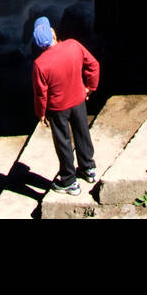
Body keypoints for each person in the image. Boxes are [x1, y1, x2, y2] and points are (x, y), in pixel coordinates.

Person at [31, 17, 100, 195]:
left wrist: (41, 114)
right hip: (78, 99)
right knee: (82, 132)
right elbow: (93, 65)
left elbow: (41, 94)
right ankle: (88, 169)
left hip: (57, 108)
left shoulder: (40, 65)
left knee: (63, 142)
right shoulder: (73, 45)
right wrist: (90, 87)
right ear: (53, 33)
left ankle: (69, 180)